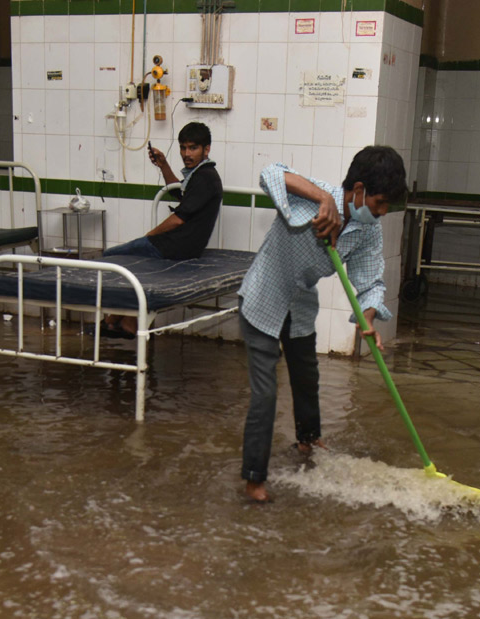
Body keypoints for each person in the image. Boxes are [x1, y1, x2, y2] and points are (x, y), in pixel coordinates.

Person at [238, 146, 408, 503]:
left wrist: (369, 318)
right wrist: (323, 201)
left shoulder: (366, 231)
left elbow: (370, 282)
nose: (381, 212)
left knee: (306, 375)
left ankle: (308, 440)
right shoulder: (315, 195)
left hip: (299, 303)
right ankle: (254, 479)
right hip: (264, 296)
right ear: (358, 189)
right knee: (266, 393)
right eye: (378, 203)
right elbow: (270, 173)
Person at [96, 121, 223, 338]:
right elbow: (179, 194)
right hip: (181, 246)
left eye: (193, 148)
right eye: (183, 147)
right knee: (132, 264)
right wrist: (163, 165)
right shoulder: (201, 175)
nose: (186, 153)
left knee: (110, 257)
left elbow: (179, 219)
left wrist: (150, 235)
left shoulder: (205, 177)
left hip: (175, 247)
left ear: (206, 149)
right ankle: (122, 319)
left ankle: (118, 319)